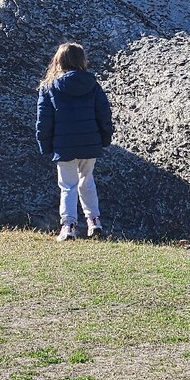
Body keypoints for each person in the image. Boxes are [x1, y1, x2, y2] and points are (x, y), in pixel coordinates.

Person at [35, 42, 114, 240]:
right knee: (87, 181)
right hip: (90, 143)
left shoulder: (50, 86)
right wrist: (104, 139)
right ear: (82, 60)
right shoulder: (93, 85)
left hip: (64, 146)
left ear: (58, 61)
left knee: (67, 186)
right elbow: (104, 114)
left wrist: (45, 145)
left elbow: (43, 120)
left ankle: (68, 226)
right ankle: (94, 222)